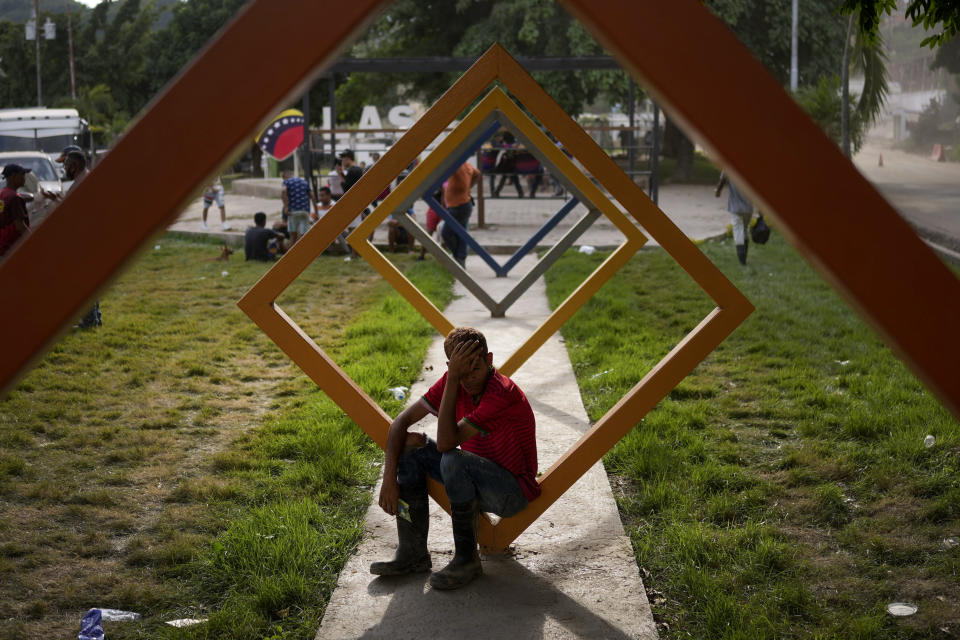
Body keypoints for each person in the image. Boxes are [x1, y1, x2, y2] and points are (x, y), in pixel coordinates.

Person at [372, 327, 539, 590]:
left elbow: (448, 443)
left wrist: (452, 380)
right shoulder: (455, 380)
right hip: (475, 477)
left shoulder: (501, 393)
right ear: (452, 367)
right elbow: (400, 423)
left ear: (490, 360)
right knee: (410, 448)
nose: (470, 378)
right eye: (462, 372)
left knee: (452, 459)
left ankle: (467, 560)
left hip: (511, 491)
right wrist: (388, 479)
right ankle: (412, 554)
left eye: (476, 368)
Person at [441, 161, 481, 267]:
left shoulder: (457, 165)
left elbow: (477, 174)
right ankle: (460, 258)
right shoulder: (466, 164)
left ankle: (458, 256)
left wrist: (468, 187)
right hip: (463, 203)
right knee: (461, 233)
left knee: (447, 233)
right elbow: (477, 174)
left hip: (458, 205)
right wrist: (469, 187)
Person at [715, 171, 753, 265]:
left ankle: (742, 260)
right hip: (748, 207)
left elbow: (722, 180)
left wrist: (718, 191)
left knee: (738, 230)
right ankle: (744, 257)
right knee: (745, 229)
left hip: (735, 207)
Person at [0, 164, 31, 259]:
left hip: (3, 246)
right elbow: (20, 226)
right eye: (22, 174)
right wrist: (34, 240)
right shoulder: (15, 198)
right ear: (14, 176)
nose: (24, 178)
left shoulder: (3, 193)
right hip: (13, 248)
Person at [281, 169, 316, 246]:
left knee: (292, 235)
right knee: (303, 234)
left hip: (293, 211)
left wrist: (286, 207)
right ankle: (302, 252)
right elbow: (313, 196)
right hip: (305, 211)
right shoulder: (304, 182)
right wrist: (316, 212)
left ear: (285, 177)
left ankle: (291, 255)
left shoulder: (287, 182)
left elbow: (283, 191)